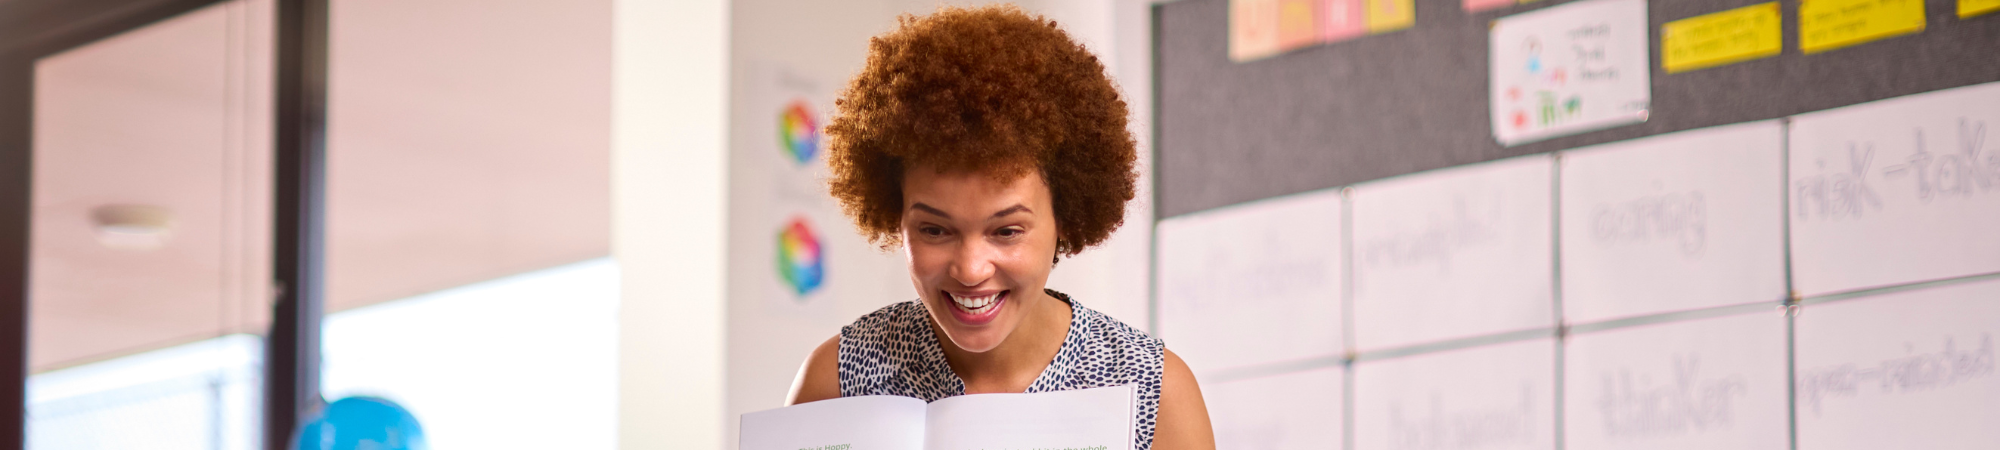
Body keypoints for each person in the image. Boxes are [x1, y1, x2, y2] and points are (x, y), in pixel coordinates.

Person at [784, 4, 1214, 450]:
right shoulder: (836, 380)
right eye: (935, 230)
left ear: (1064, 216)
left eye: (1006, 232)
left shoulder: (1153, 392)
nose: (970, 270)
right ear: (897, 216)